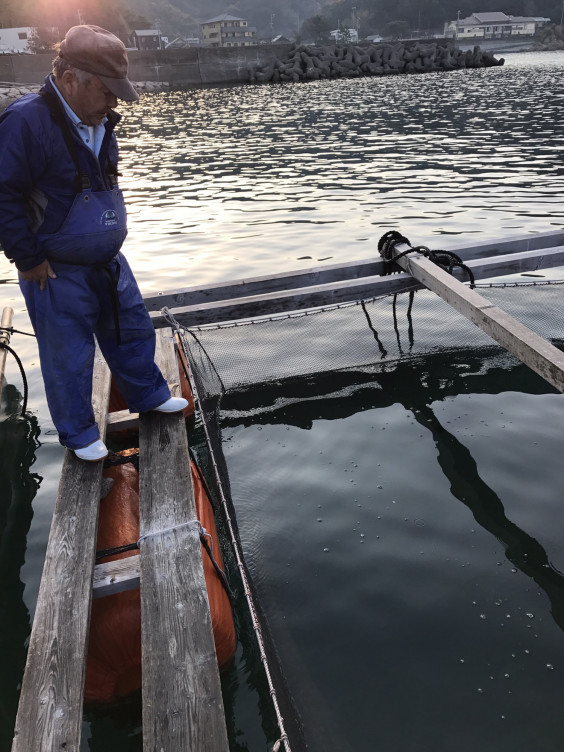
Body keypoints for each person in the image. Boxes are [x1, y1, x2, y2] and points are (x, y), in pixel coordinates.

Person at [0, 25, 187, 462]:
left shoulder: (99, 120)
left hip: (107, 259)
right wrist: (27, 258)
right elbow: (2, 193)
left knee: (133, 330)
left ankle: (150, 395)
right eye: (107, 91)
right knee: (68, 354)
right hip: (54, 268)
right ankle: (80, 434)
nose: (114, 102)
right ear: (70, 79)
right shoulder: (25, 121)